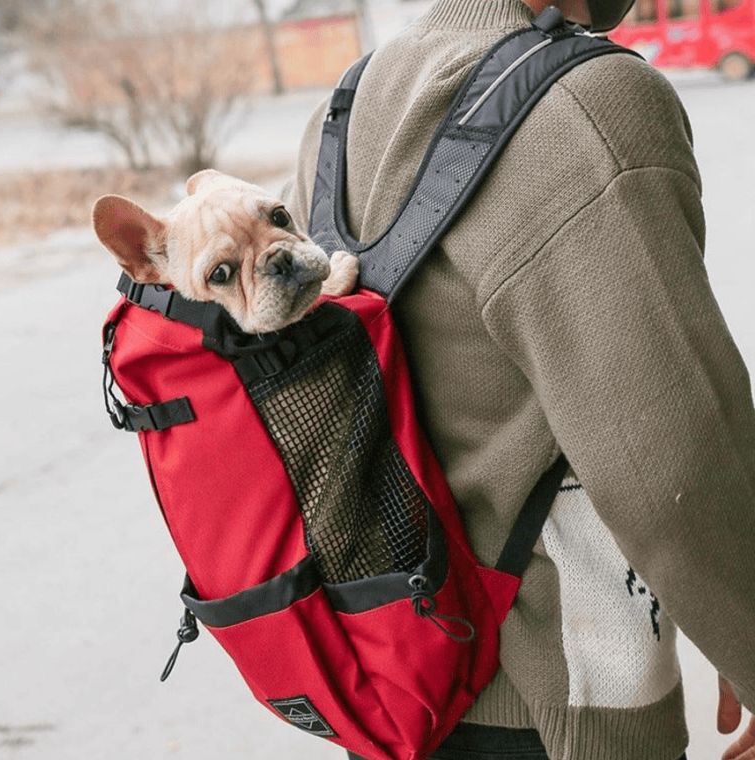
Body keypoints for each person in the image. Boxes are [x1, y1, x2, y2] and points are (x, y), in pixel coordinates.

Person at [283, 0, 755, 758]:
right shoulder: (588, 100)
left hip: (401, 684)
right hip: (557, 698)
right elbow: (673, 460)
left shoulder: (343, 107)